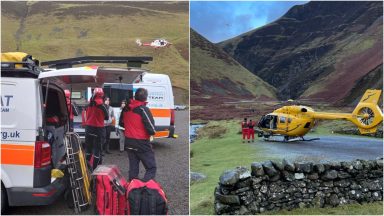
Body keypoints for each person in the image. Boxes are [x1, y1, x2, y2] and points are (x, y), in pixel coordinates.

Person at [121, 88, 156, 181]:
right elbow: (151, 129)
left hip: (128, 141)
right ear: (145, 98)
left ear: (135, 96)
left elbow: (121, 123)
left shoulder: (126, 109)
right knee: (151, 168)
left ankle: (132, 189)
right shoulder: (143, 109)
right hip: (141, 142)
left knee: (133, 169)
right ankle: (145, 187)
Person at [84, 88, 109, 170]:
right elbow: (107, 117)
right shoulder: (103, 106)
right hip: (99, 130)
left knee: (88, 150)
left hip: (88, 129)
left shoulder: (89, 104)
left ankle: (86, 168)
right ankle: (96, 170)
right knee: (97, 152)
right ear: (102, 95)